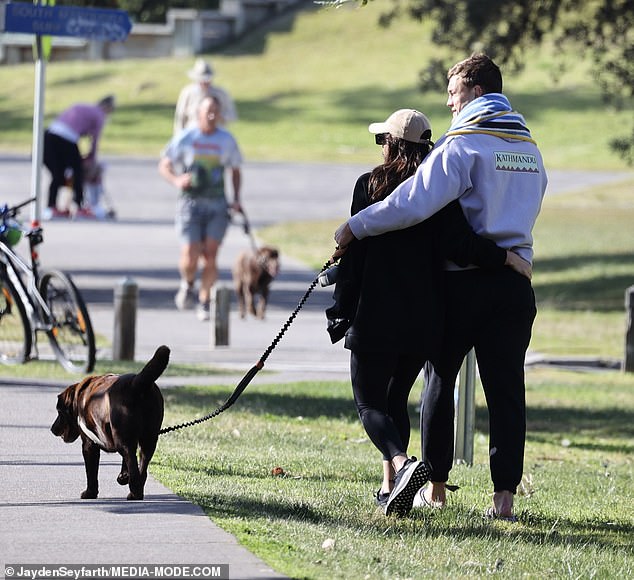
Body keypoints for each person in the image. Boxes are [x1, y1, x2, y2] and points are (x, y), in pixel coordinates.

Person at [334, 54, 547, 520]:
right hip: (515, 284)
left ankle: (435, 486)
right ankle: (504, 498)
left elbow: (411, 202)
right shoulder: (528, 146)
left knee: (439, 379)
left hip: (462, 281)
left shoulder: (462, 145)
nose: (449, 105)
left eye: (452, 94)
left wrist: (356, 225)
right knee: (508, 391)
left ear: (473, 91)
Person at [159, 95, 243, 322]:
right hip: (190, 204)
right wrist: (177, 180)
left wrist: (236, 199)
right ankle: (187, 283)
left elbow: (235, 170)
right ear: (199, 114)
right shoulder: (186, 137)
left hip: (217, 204)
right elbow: (164, 164)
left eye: (216, 112)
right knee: (190, 254)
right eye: (209, 112)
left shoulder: (226, 140)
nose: (213, 116)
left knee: (211, 254)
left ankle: (204, 300)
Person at [43, 95, 116, 219]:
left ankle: (51, 207)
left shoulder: (81, 106)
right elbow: (94, 140)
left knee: (57, 174)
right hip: (67, 139)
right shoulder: (99, 115)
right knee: (78, 172)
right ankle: (79, 206)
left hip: (49, 135)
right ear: (107, 107)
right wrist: (91, 160)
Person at [173, 58, 238, 134]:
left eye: (207, 80)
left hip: (215, 134)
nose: (204, 83)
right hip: (193, 134)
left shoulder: (221, 93)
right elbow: (180, 117)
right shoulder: (188, 92)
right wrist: (178, 135)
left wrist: (218, 117)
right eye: (202, 80)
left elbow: (231, 115)